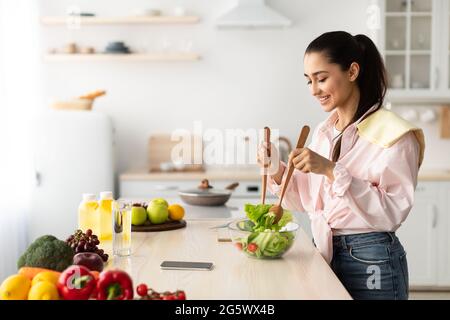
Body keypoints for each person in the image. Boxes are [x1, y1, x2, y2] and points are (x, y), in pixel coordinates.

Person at [257, 31, 425, 300]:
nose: (314, 90)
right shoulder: (325, 132)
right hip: (324, 251)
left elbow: (391, 213)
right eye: (309, 81)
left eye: (321, 78)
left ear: (352, 71)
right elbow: (308, 201)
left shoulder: (395, 134)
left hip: (371, 258)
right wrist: (276, 169)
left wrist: (330, 170)